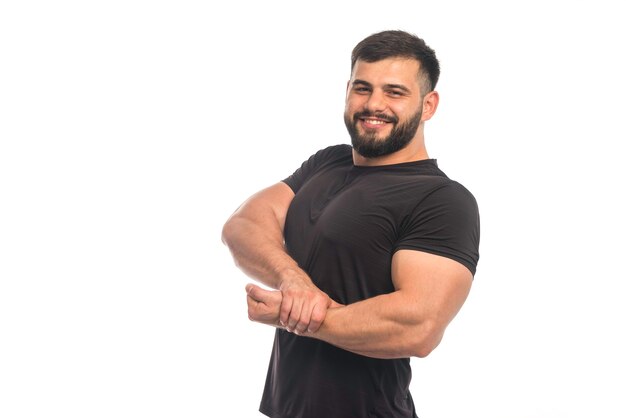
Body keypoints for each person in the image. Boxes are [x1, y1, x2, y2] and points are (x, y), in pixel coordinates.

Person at [221, 29, 480, 418]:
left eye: (394, 92)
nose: (374, 104)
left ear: (429, 105)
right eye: (362, 88)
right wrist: (293, 281)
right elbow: (243, 224)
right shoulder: (329, 163)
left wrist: (296, 318)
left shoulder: (442, 200)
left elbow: (419, 326)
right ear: (347, 91)